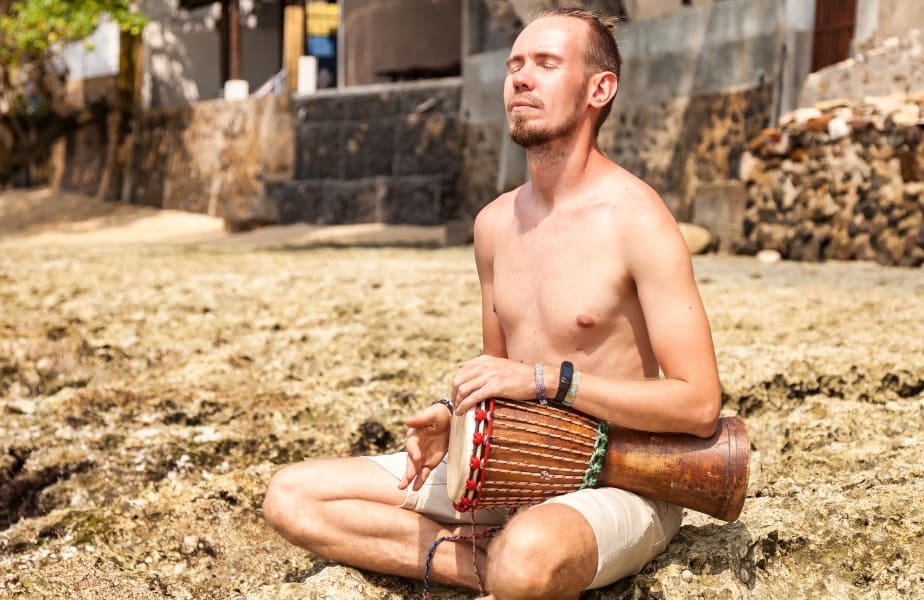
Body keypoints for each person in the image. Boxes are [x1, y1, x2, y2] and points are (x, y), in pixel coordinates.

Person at [262, 7, 722, 599]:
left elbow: (698, 402)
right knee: (292, 496)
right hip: (509, 465)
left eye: (546, 64)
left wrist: (548, 381)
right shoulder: (494, 225)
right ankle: (484, 567)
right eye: (515, 65)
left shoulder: (638, 220)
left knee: (528, 555)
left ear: (599, 89)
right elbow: (499, 376)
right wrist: (451, 417)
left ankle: (507, 565)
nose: (521, 79)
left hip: (618, 482)